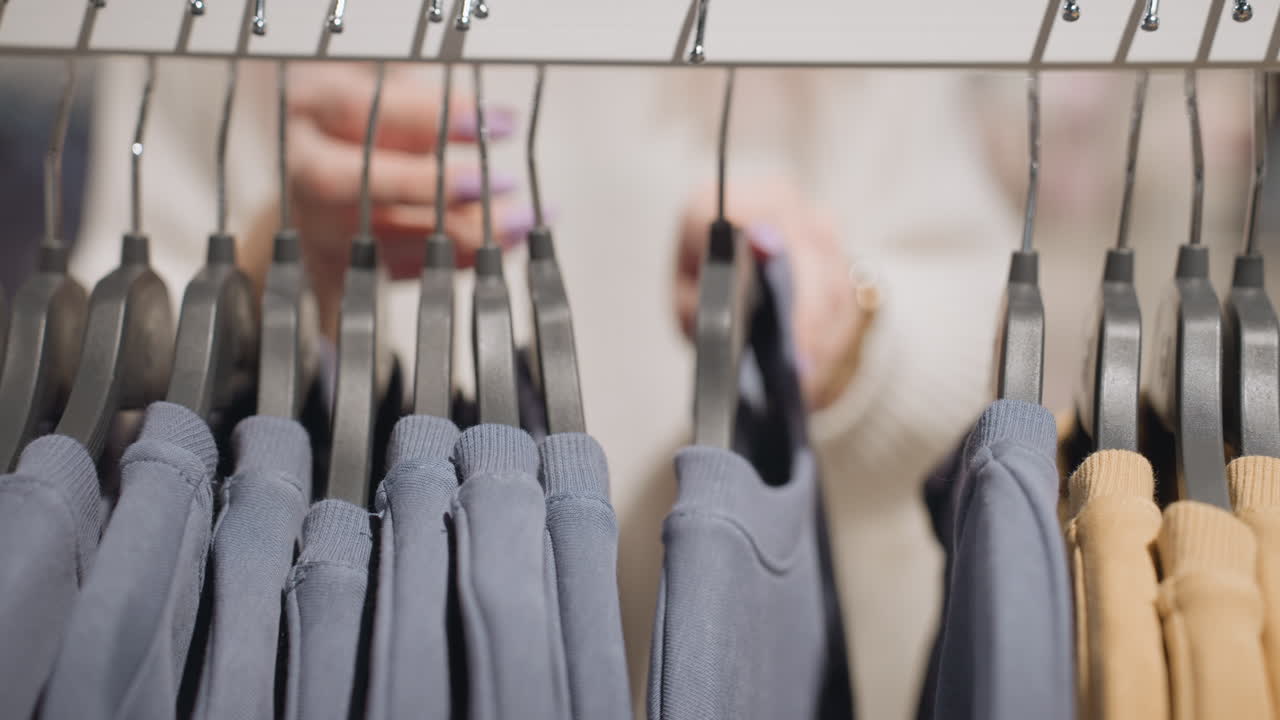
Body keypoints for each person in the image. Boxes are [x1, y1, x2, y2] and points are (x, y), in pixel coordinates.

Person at [68, 60, 1256, 719]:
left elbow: (993, 361)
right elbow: (96, 359)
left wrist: (844, 330)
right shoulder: (202, 43)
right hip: (326, 626)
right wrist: (285, 267)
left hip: (785, 651)